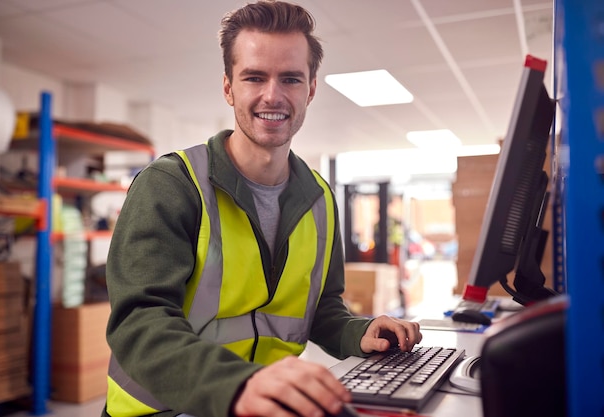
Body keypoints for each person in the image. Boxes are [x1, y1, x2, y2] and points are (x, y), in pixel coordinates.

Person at [101, 1, 422, 416]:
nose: (273, 95)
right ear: (229, 87)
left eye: (290, 78)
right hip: (164, 408)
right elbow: (139, 322)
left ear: (310, 89)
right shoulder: (173, 185)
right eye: (255, 77)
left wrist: (358, 332)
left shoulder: (319, 199)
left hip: (263, 404)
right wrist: (238, 384)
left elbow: (321, 307)